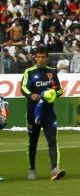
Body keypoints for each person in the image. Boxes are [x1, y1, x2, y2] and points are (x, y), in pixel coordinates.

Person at [22, 45, 65, 180]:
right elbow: (23, 88)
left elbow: (59, 89)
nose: (41, 59)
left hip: (49, 113)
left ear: (47, 58)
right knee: (33, 142)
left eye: (43, 57)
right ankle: (32, 169)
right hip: (33, 113)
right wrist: (31, 95)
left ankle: (54, 169)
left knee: (52, 140)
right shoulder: (29, 72)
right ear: (35, 58)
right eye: (38, 57)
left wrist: (53, 93)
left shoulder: (52, 72)